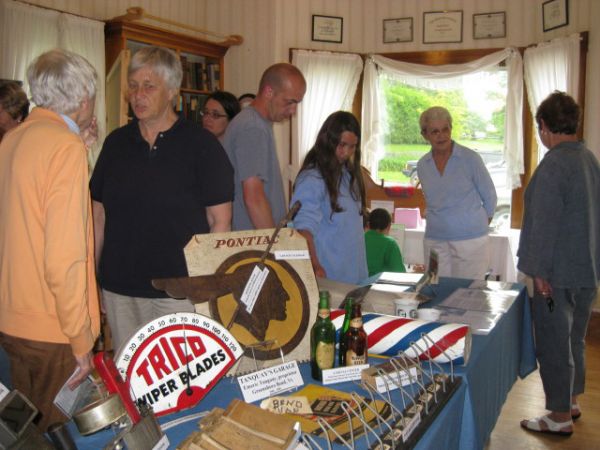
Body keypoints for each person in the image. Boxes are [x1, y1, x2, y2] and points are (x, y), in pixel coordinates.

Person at [90, 46, 234, 353]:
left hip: (180, 291)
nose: (138, 95)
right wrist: (92, 278)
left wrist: (204, 284)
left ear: (171, 91)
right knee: (129, 371)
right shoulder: (115, 144)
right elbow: (97, 215)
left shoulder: (202, 146)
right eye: (133, 86)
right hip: (120, 289)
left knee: (180, 375)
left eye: (148, 86)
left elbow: (220, 222)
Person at [0, 49, 100, 431]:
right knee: (55, 433)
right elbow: (64, 256)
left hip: (13, 315)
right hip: (51, 324)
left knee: (22, 431)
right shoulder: (64, 148)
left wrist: (79, 145)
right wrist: (80, 339)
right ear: (85, 97)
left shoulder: (14, 138)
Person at [518, 91, 600, 437]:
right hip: (586, 270)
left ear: (544, 126)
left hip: (556, 276)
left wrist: (538, 272)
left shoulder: (553, 165)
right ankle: (572, 400)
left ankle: (559, 415)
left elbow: (544, 222)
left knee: (554, 342)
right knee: (575, 339)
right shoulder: (588, 158)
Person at [416, 106, 497, 279]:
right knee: (434, 286)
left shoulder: (470, 159)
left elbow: (490, 196)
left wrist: (476, 225)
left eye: (445, 129)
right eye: (435, 131)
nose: (441, 136)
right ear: (425, 135)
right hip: (435, 240)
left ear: (451, 129)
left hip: (471, 241)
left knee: (468, 290)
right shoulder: (422, 165)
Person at [223, 63, 306, 231]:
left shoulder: (255, 123)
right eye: (290, 102)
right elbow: (254, 198)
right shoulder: (253, 127)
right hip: (254, 241)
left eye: (297, 103)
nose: (293, 111)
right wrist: (273, 244)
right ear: (269, 92)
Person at [290, 111, 367, 284]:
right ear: (328, 141)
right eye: (342, 144)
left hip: (352, 275)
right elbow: (303, 230)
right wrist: (314, 265)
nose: (346, 152)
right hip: (327, 275)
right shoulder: (312, 178)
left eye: (352, 146)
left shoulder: (348, 174)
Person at [365, 208, 406, 276]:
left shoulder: (360, 239)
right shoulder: (390, 243)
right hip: (379, 281)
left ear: (368, 224)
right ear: (389, 226)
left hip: (357, 281)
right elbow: (399, 273)